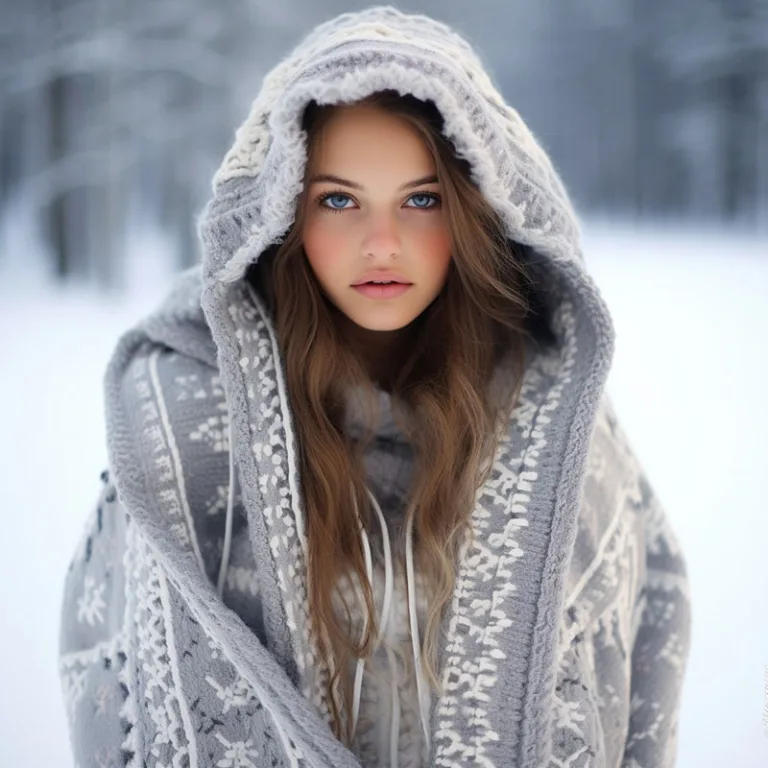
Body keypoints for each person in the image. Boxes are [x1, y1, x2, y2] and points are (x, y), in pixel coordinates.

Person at [58, 6, 692, 768]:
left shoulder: (557, 427)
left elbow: (643, 650)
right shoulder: (180, 423)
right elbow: (110, 687)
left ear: (475, 209)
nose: (382, 244)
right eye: (338, 200)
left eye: (422, 200)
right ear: (282, 213)